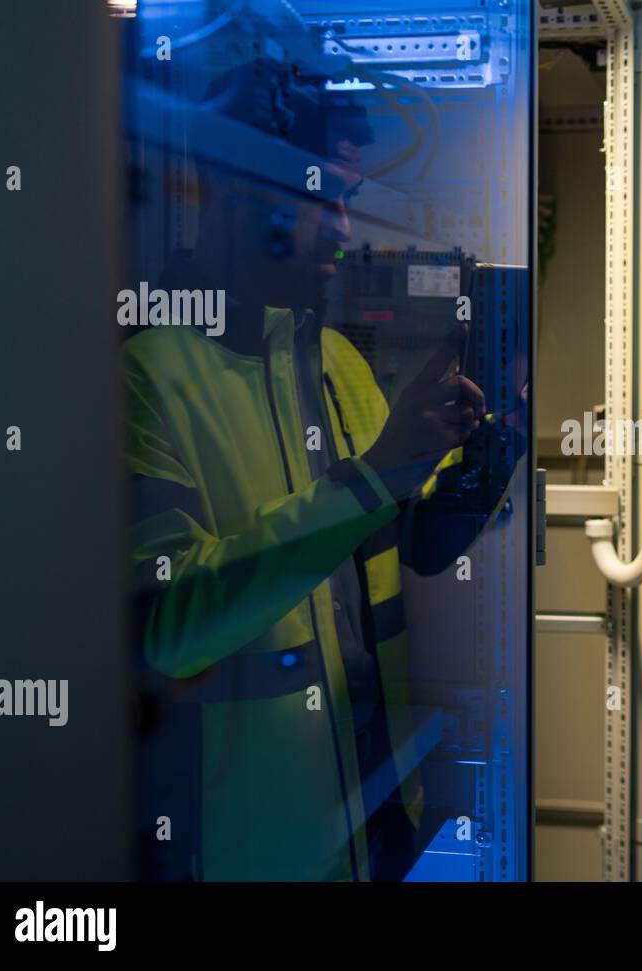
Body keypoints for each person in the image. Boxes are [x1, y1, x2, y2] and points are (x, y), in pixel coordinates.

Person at [127, 61, 521, 880]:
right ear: (238, 197)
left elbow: (403, 541)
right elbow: (169, 626)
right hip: (254, 846)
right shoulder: (147, 377)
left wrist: (496, 443)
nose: (345, 228)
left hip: (377, 814)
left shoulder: (332, 357)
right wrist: (377, 473)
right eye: (323, 199)